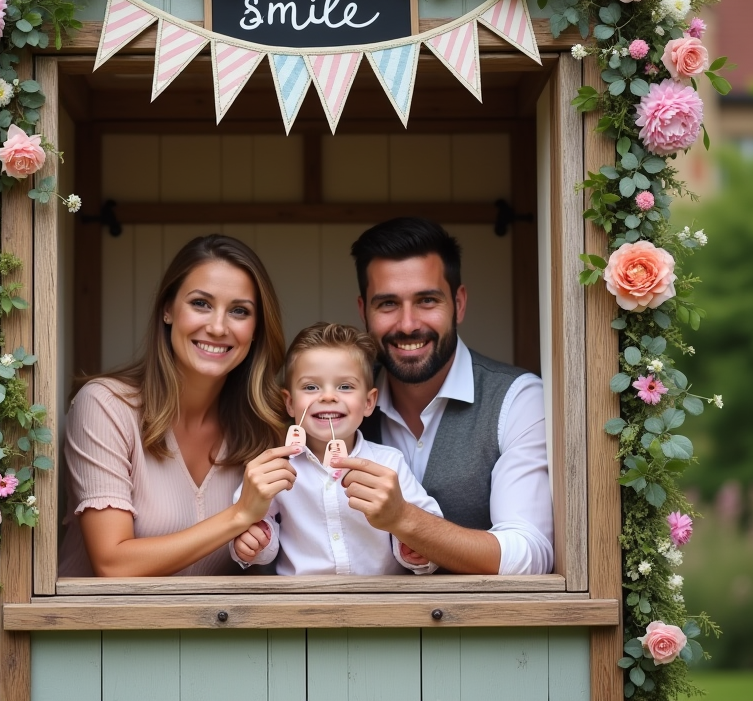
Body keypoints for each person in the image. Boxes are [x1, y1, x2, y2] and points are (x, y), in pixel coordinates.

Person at [58, 234, 300, 577]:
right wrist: (240, 515)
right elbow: (113, 563)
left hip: (214, 629)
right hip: (99, 630)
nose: (218, 327)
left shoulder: (269, 425)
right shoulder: (105, 406)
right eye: (201, 303)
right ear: (168, 309)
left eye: (239, 311)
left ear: (257, 329)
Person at [334, 217, 554, 575]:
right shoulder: (334, 405)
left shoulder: (518, 398)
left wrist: (406, 519)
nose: (407, 324)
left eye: (426, 300)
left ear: (459, 303)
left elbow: (530, 555)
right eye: (387, 304)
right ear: (364, 312)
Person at [229, 323, 442, 576]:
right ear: (290, 403)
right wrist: (255, 540)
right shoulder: (275, 466)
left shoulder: (389, 463)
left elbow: (427, 524)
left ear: (368, 402)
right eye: (310, 387)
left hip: (381, 601)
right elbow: (248, 520)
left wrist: (412, 548)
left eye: (345, 387)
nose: (328, 397)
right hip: (301, 602)